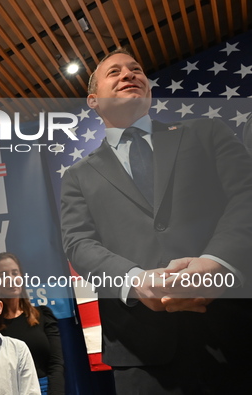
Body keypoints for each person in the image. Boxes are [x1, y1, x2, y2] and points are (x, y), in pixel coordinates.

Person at [59, 48, 252, 393]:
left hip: (232, 328)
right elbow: (79, 244)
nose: (129, 74)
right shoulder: (78, 176)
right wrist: (136, 281)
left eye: (136, 69)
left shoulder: (206, 132)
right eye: (114, 72)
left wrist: (215, 263)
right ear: (93, 100)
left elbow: (245, 197)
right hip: (139, 352)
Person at [0, 252, 64, 395]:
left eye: (15, 273)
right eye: (3, 275)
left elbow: (56, 364)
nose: (11, 279)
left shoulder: (42, 315)